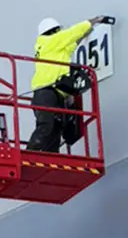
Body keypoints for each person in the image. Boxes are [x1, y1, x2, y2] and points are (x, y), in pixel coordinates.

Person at [26, 15, 111, 152]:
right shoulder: (50, 41)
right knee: (46, 126)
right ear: (54, 31)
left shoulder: (54, 47)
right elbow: (72, 33)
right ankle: (29, 153)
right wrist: (95, 21)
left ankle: (50, 159)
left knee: (56, 128)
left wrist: (83, 36)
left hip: (54, 94)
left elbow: (71, 44)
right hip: (46, 92)